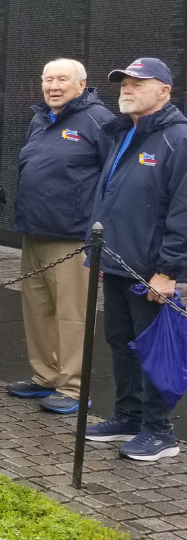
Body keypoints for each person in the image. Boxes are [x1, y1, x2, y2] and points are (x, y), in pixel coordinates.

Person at [83, 57, 187, 461]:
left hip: (152, 271)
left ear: (165, 91)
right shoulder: (126, 133)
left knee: (153, 350)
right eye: (124, 83)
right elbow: (108, 196)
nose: (126, 89)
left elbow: (182, 211)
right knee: (121, 343)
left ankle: (159, 432)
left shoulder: (177, 139)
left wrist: (167, 272)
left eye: (138, 83)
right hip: (118, 263)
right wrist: (100, 256)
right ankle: (127, 415)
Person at [8, 59, 115, 414]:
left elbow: (110, 179)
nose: (54, 86)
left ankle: (72, 388)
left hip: (73, 237)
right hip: (34, 230)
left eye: (62, 80)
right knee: (37, 310)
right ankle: (44, 377)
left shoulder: (98, 120)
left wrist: (97, 233)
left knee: (72, 316)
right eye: (48, 79)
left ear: (82, 84)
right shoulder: (40, 120)